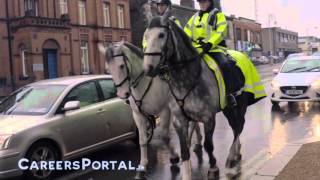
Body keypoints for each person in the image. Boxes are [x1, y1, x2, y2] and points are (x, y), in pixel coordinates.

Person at [184, 0, 239, 107]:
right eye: (200, 2)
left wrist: (209, 44)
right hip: (197, 50)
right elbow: (186, 32)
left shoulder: (218, 15)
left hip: (215, 49)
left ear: (210, 2)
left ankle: (229, 94)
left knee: (225, 65)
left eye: (204, 2)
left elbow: (221, 32)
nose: (202, 4)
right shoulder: (194, 17)